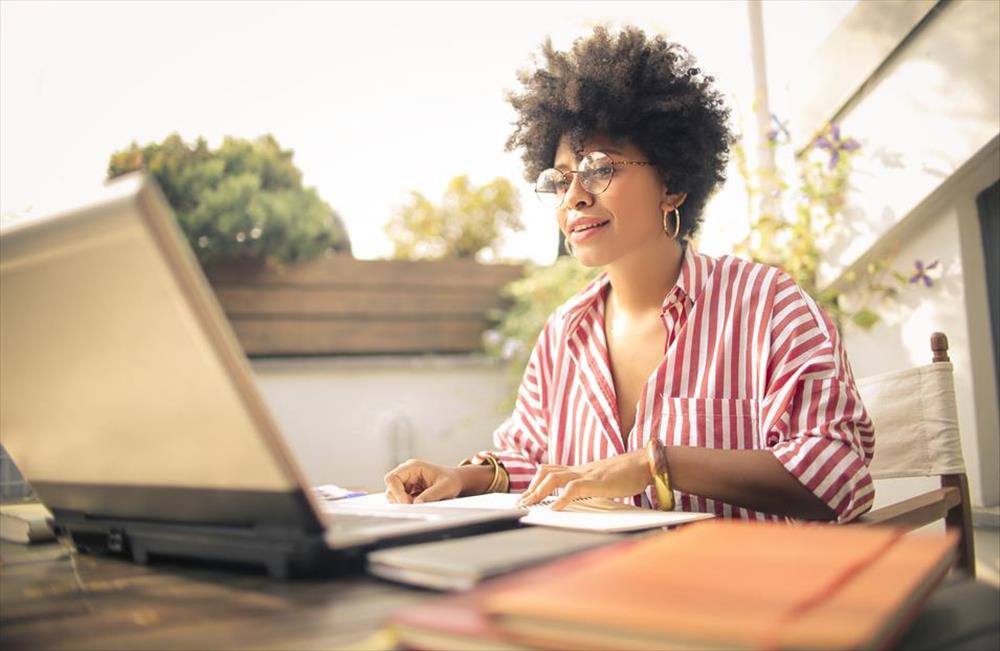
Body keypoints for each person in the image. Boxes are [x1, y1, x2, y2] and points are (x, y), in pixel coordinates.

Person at [383, 26, 874, 522]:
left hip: (740, 589)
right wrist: (462, 476)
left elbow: (837, 475)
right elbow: (533, 461)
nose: (573, 196)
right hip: (594, 588)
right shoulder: (564, 333)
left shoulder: (768, 306)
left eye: (600, 169)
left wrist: (655, 465)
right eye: (558, 179)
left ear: (674, 184)